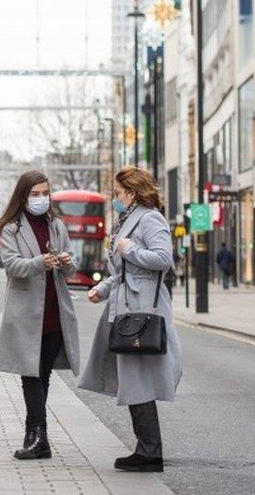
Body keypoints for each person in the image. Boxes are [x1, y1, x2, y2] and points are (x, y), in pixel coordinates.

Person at [79, 166, 182, 473]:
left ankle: (150, 451)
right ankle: (146, 448)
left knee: (138, 378)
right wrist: (101, 288)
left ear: (133, 193)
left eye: (119, 192)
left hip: (142, 310)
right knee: (133, 378)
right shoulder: (128, 219)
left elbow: (165, 259)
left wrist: (132, 248)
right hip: (126, 306)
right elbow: (122, 273)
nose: (115, 197)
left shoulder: (150, 218)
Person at [0, 170, 80, 461]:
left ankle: (37, 437)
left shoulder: (56, 225)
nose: (41, 199)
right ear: (23, 195)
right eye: (35, 194)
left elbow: (70, 268)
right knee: (30, 375)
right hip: (26, 315)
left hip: (55, 311)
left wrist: (68, 262)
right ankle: (37, 436)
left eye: (45, 193)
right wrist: (39, 262)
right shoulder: (11, 228)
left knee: (42, 376)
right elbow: (11, 265)